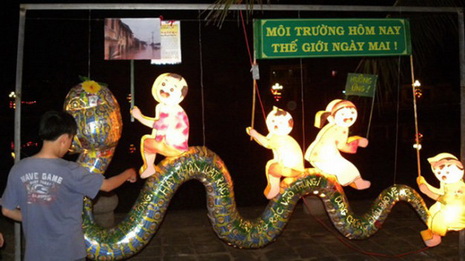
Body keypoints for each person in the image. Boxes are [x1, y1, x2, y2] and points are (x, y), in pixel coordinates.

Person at [1, 110, 137, 261]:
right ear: (64, 138)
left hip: (35, 255)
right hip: (69, 253)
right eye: (71, 139)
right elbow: (107, 186)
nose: (70, 145)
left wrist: (32, 217)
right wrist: (128, 173)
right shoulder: (70, 170)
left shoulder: (19, 169)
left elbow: (7, 210)